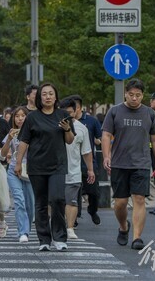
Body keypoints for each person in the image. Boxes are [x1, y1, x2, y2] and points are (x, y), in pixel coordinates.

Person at [101, 78, 155, 250]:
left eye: (138, 95)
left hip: (141, 164)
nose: (134, 98)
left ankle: (137, 237)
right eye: (131, 95)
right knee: (120, 203)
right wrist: (107, 156)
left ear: (143, 95)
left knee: (139, 199)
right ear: (125, 94)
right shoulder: (114, 111)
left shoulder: (149, 113)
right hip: (119, 163)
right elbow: (106, 135)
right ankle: (123, 227)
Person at [15, 82, 75, 251]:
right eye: (44, 94)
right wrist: (19, 163)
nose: (48, 97)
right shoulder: (32, 117)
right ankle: (44, 240)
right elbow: (24, 141)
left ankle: (60, 237)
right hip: (37, 165)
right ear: (39, 98)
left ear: (55, 97)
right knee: (40, 203)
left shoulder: (63, 115)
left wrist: (67, 129)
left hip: (57, 165)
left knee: (57, 199)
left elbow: (69, 140)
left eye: (51, 94)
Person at [60, 98, 93, 240]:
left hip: (73, 171)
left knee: (71, 200)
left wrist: (90, 170)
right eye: (64, 113)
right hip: (55, 171)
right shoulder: (53, 125)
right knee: (54, 200)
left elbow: (86, 151)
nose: (67, 115)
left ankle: (70, 228)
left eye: (70, 113)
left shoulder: (81, 128)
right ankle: (55, 225)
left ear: (75, 112)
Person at [1, 106, 33, 243]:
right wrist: (8, 139)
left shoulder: (33, 132)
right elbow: (2, 154)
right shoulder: (12, 133)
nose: (20, 118)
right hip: (14, 169)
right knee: (19, 200)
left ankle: (27, 228)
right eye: (17, 116)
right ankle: (23, 232)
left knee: (30, 203)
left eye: (23, 115)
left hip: (30, 170)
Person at [76, 96, 102, 224]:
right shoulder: (66, 122)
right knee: (74, 192)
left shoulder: (92, 121)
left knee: (94, 193)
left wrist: (98, 141)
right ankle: (74, 217)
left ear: (80, 107)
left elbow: (100, 137)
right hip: (73, 164)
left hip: (89, 163)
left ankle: (92, 210)